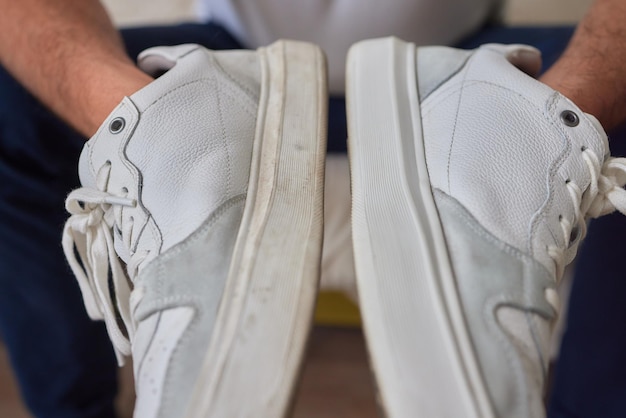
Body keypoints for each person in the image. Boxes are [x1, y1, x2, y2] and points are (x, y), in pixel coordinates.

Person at [0, 0, 625, 417]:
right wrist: (149, 124)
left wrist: (530, 127)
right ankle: (74, 410)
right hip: (235, 57)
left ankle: (492, 145)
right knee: (9, 102)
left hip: (461, 57)